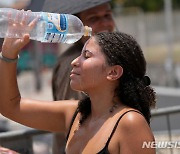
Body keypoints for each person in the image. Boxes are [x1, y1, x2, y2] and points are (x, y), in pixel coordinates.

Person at [0, 17, 156, 153]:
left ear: (113, 72)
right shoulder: (75, 114)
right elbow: (10, 106)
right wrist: (8, 54)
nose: (74, 62)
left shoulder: (130, 123)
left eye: (86, 56)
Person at [51, 1, 116, 153]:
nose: (104, 23)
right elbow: (75, 118)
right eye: (94, 19)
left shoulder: (110, 56)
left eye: (107, 15)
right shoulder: (73, 63)